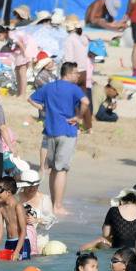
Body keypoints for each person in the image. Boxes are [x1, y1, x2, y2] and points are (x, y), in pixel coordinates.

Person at [31, 62, 91, 216]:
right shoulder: (73, 89)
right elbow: (86, 102)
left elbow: (31, 99)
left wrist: (45, 109)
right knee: (62, 169)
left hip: (50, 130)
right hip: (67, 131)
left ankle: (53, 204)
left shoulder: (49, 87)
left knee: (53, 169)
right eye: (76, 73)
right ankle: (58, 206)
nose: (78, 76)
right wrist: (78, 117)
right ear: (68, 73)